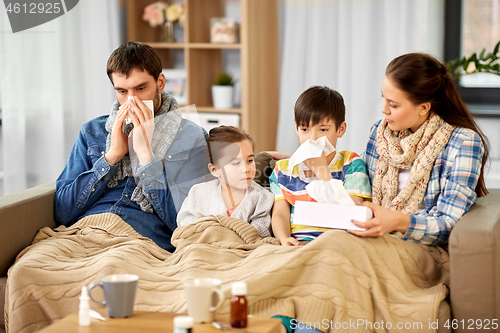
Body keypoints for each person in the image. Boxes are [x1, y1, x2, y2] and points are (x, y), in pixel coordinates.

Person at [54, 42, 211, 251]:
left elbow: (187, 224)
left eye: (141, 88)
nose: (131, 100)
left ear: (161, 83)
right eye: (122, 91)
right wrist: (111, 157)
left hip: (140, 242)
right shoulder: (92, 132)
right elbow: (62, 213)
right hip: (84, 234)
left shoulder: (191, 137)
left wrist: (146, 155)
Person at [356, 52, 489, 246]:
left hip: (421, 248)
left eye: (393, 104)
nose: (384, 109)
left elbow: (449, 222)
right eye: (384, 99)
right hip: (373, 235)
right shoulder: (380, 132)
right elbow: (360, 186)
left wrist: (398, 221)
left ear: (424, 107)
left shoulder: (463, 143)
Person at [270, 86, 372, 246]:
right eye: (305, 129)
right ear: (297, 129)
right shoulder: (283, 170)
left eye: (323, 130)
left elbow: (351, 215)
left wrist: (323, 172)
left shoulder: (351, 163)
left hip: (337, 242)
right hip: (298, 243)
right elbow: (280, 215)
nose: (313, 139)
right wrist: (284, 239)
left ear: (340, 129)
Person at [177, 126, 274, 238]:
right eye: (236, 163)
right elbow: (185, 225)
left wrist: (228, 236)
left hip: (241, 250)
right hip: (203, 247)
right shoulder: (198, 193)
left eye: (250, 160)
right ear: (215, 170)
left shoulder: (262, 197)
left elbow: (261, 231)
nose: (246, 169)